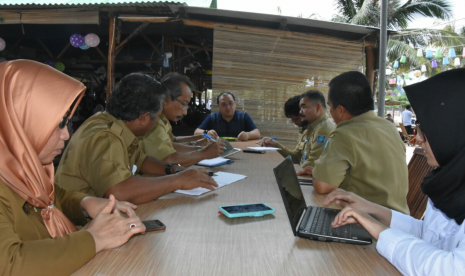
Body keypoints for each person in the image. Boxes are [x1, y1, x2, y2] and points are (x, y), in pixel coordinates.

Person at [0, 60, 146, 275]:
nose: (66, 135)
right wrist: (94, 238)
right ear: (21, 121)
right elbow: (10, 263)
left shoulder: (22, 168)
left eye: (66, 123)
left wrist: (87, 203)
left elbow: (51, 197)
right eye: (58, 124)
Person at [326, 68, 465, 275]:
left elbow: (452, 269)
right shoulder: (449, 179)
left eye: (424, 128)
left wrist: (381, 231)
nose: (417, 139)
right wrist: (369, 209)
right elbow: (427, 234)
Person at [56, 72, 218, 204]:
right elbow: (119, 191)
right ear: (143, 118)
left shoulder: (111, 122)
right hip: (78, 226)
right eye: (157, 116)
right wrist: (178, 180)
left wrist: (172, 169)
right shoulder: (105, 136)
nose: (158, 121)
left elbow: (140, 160)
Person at [311, 71, 409, 214]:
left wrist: (317, 171)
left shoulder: (345, 134)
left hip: (367, 223)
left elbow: (322, 185)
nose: (329, 112)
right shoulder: (389, 127)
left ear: (340, 110)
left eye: (330, 106)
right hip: (398, 221)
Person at [142, 73, 225, 167]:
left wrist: (198, 141)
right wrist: (203, 152)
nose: (185, 112)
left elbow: (173, 141)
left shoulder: (163, 120)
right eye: (184, 104)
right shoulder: (154, 124)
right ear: (166, 100)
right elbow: (168, 159)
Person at [262, 91, 335, 173]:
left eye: (303, 107)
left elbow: (312, 163)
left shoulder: (324, 129)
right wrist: (276, 145)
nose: (300, 112)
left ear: (317, 108)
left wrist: (288, 173)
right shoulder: (309, 130)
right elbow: (296, 158)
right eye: (300, 108)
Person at [194, 92, 260, 141]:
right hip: (218, 151)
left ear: (235, 104)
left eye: (231, 103)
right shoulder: (212, 117)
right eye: (223, 104)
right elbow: (196, 132)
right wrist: (206, 133)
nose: (228, 107)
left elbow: (257, 133)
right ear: (218, 107)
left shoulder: (243, 116)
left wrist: (247, 135)